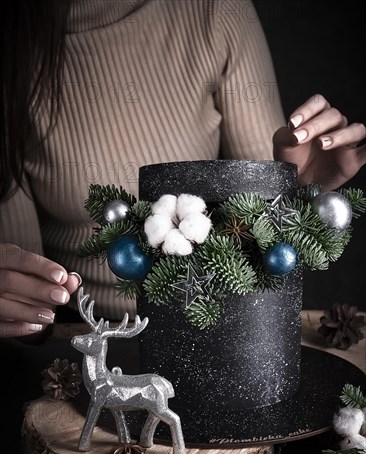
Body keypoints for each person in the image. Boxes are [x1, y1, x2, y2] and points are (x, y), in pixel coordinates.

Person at [0, 0, 365, 340]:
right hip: (84, 335)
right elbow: (25, 294)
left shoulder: (215, 11)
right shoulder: (16, 51)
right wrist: (22, 311)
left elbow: (260, 232)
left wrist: (295, 192)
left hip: (218, 331)